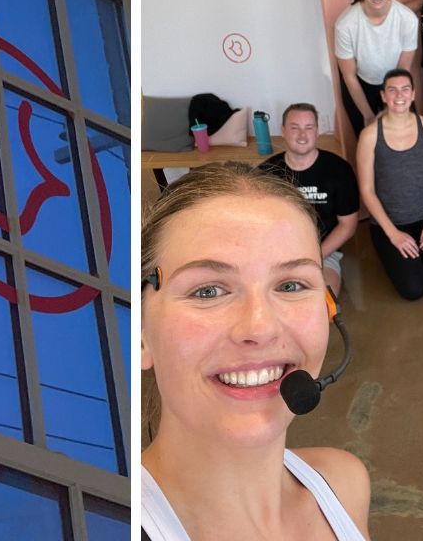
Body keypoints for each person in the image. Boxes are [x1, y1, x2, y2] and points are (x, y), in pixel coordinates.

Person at [139, 162, 371, 540]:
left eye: (292, 285)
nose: (260, 328)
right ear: (142, 335)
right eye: (208, 291)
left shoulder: (345, 484)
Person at [356, 69, 423, 299]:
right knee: (414, 289)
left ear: (413, 94)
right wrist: (392, 233)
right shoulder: (370, 135)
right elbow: (367, 190)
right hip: (391, 223)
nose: (399, 95)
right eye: (392, 90)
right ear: (383, 96)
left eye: (405, 89)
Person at [260, 104, 360, 292]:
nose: (302, 135)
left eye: (309, 128)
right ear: (283, 131)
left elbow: (348, 225)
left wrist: (315, 257)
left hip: (324, 251)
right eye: (294, 127)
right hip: (276, 250)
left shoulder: (339, 170)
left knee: (321, 306)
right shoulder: (266, 173)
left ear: (317, 131)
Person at [333, 0, 418, 141]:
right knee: (368, 141)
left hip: (395, 83)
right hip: (359, 86)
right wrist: (369, 115)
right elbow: (348, 75)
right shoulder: (345, 24)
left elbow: (403, 70)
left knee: (405, 137)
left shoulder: (407, 19)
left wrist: (392, 108)